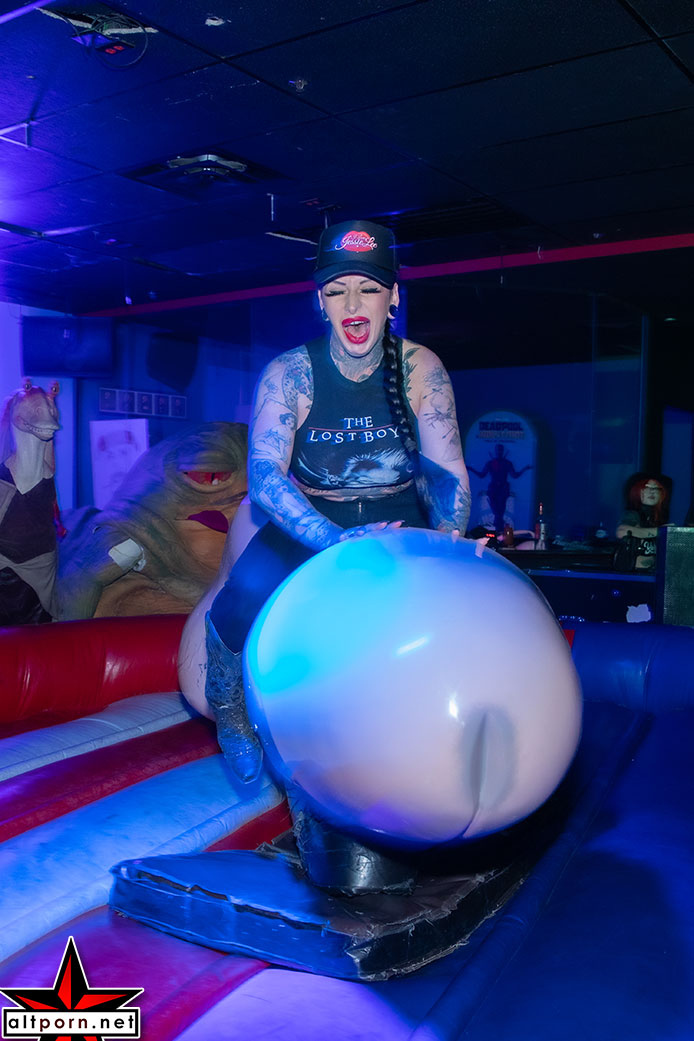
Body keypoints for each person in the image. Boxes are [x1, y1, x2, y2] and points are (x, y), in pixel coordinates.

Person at [204, 219, 470, 892]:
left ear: (394, 297)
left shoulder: (421, 368)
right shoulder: (290, 373)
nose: (353, 305)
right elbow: (265, 475)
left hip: (398, 519)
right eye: (337, 290)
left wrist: (446, 542)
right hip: (309, 519)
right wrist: (331, 541)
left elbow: (447, 472)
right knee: (236, 606)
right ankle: (230, 708)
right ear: (319, 301)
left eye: (369, 289)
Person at [615, 472, 671, 570]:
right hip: (631, 573)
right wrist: (661, 531)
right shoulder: (633, 514)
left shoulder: (656, 517)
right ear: (637, 491)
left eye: (656, 488)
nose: (652, 491)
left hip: (649, 572)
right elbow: (621, 531)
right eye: (646, 487)